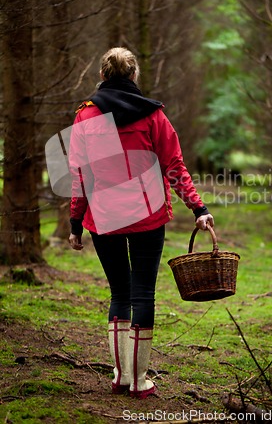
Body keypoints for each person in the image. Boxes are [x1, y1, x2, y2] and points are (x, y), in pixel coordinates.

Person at [68, 47, 214, 399]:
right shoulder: (153, 115)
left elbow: (80, 175)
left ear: (103, 76)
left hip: (103, 219)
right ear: (133, 76)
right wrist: (198, 208)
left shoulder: (85, 117)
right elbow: (174, 167)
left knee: (119, 292)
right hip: (147, 217)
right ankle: (139, 380)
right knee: (142, 292)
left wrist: (75, 222)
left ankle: (121, 376)